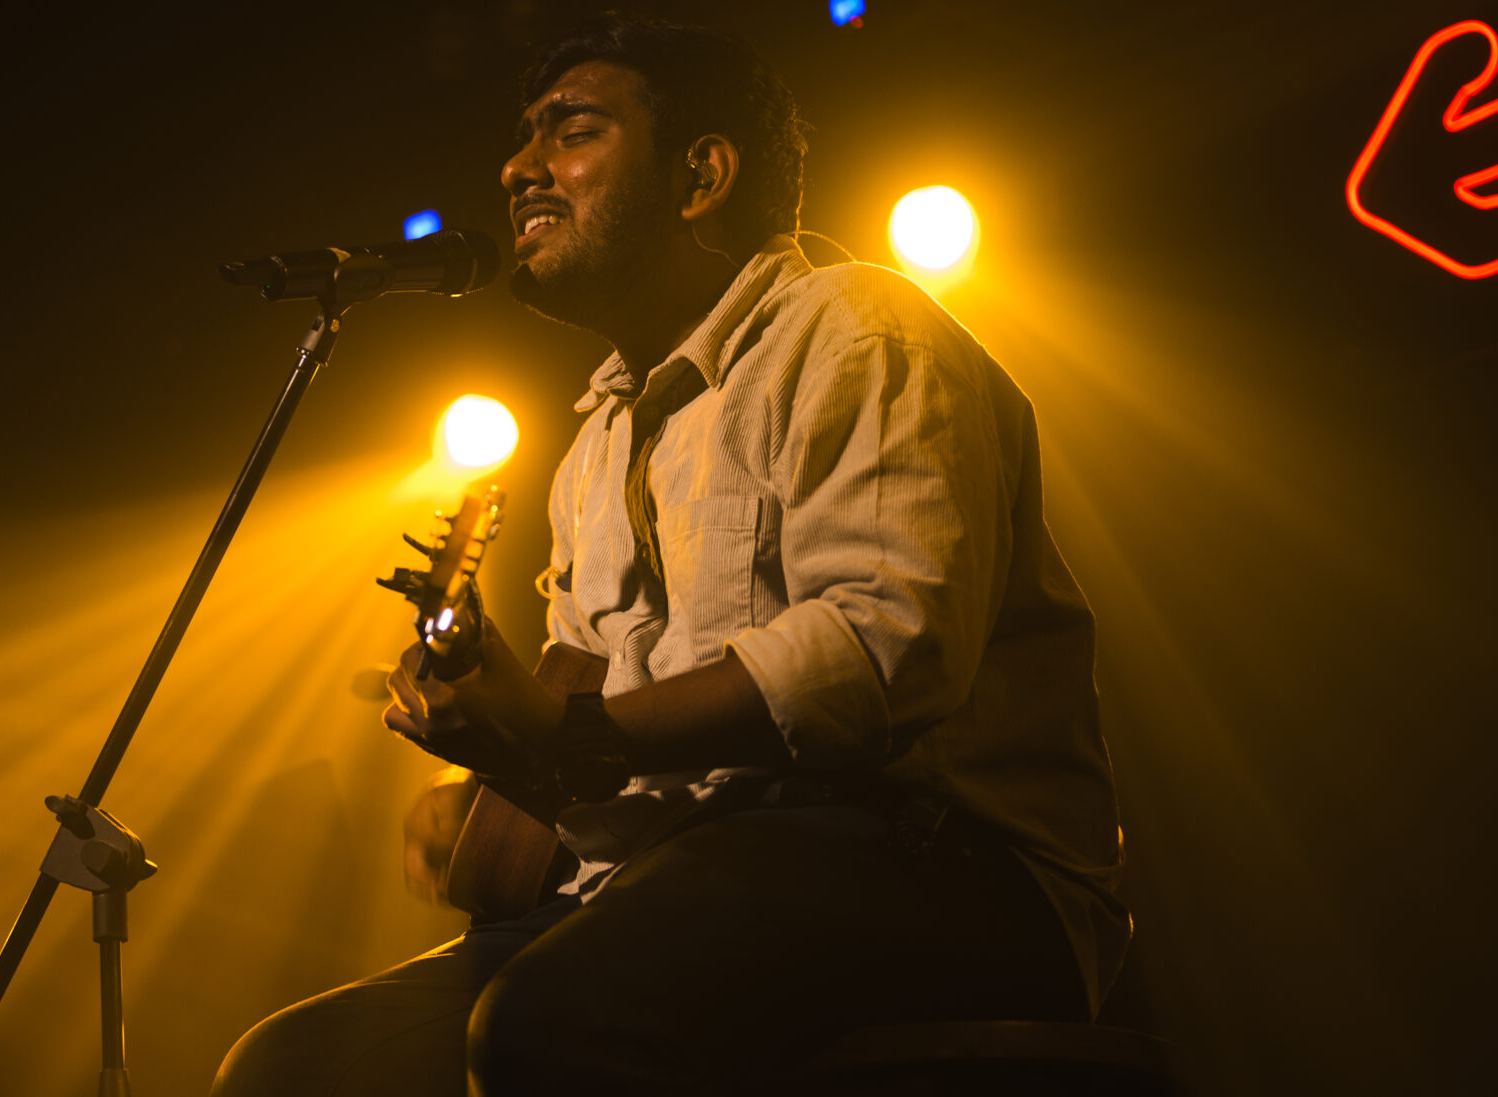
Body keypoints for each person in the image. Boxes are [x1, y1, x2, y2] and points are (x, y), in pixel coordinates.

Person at [212, 16, 1128, 1097]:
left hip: (941, 867)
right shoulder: (594, 442)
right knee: (293, 1069)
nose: (517, 168)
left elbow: (882, 650)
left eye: (571, 131)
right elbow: (586, 724)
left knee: (552, 1022)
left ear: (700, 173)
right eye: (522, 139)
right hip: (664, 878)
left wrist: (573, 734)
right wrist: (500, 758)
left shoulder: (860, 328)